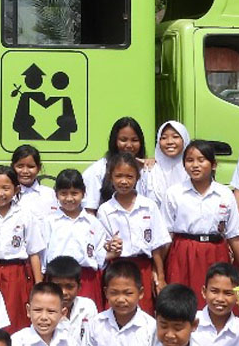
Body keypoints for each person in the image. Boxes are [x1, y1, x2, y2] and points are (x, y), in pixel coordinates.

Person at [164, 140, 239, 300]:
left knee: (215, 300)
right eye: (189, 160)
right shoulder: (174, 193)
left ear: (213, 165)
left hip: (215, 252)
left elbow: (234, 235)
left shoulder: (224, 194)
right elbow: (166, 236)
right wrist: (159, 271)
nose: (195, 165)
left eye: (201, 160)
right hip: (183, 253)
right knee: (181, 303)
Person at [96, 151, 169, 312]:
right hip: (116, 268)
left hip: (143, 267)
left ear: (137, 177)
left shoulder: (148, 206)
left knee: (144, 312)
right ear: (110, 177)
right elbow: (100, 246)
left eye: (129, 177)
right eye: (119, 176)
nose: (124, 181)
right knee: (118, 310)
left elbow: (157, 244)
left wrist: (160, 276)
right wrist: (111, 247)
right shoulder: (105, 210)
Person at [0, 165, 44, 332]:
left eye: (6, 188)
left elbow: (34, 252)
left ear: (16, 189)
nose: (0, 193)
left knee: (16, 320)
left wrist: (39, 285)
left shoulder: (25, 215)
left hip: (17, 273)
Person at [42, 168, 107, 306]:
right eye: (63, 193)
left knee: (86, 318)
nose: (69, 198)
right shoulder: (49, 221)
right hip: (57, 279)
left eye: (74, 193)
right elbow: (43, 254)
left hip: (87, 279)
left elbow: (100, 256)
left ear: (83, 193)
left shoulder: (93, 222)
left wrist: (114, 249)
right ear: (56, 194)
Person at [82, 116, 147, 213]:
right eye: (123, 140)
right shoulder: (98, 170)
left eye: (134, 140)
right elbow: (90, 211)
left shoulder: (147, 169)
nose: (129, 145)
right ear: (114, 141)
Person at [44, 255, 99, 346]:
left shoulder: (87, 307)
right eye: (58, 286)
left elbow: (93, 343)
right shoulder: (42, 310)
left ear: (79, 287)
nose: (64, 292)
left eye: (69, 287)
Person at [139, 120, 190, 212]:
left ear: (184, 140)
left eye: (175, 137)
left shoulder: (192, 171)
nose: (169, 142)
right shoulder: (148, 170)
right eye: (164, 138)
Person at [11, 144, 57, 220]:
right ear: (12, 166)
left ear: (39, 168)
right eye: (20, 166)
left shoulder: (49, 194)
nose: (25, 171)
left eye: (30, 167)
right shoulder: (9, 195)